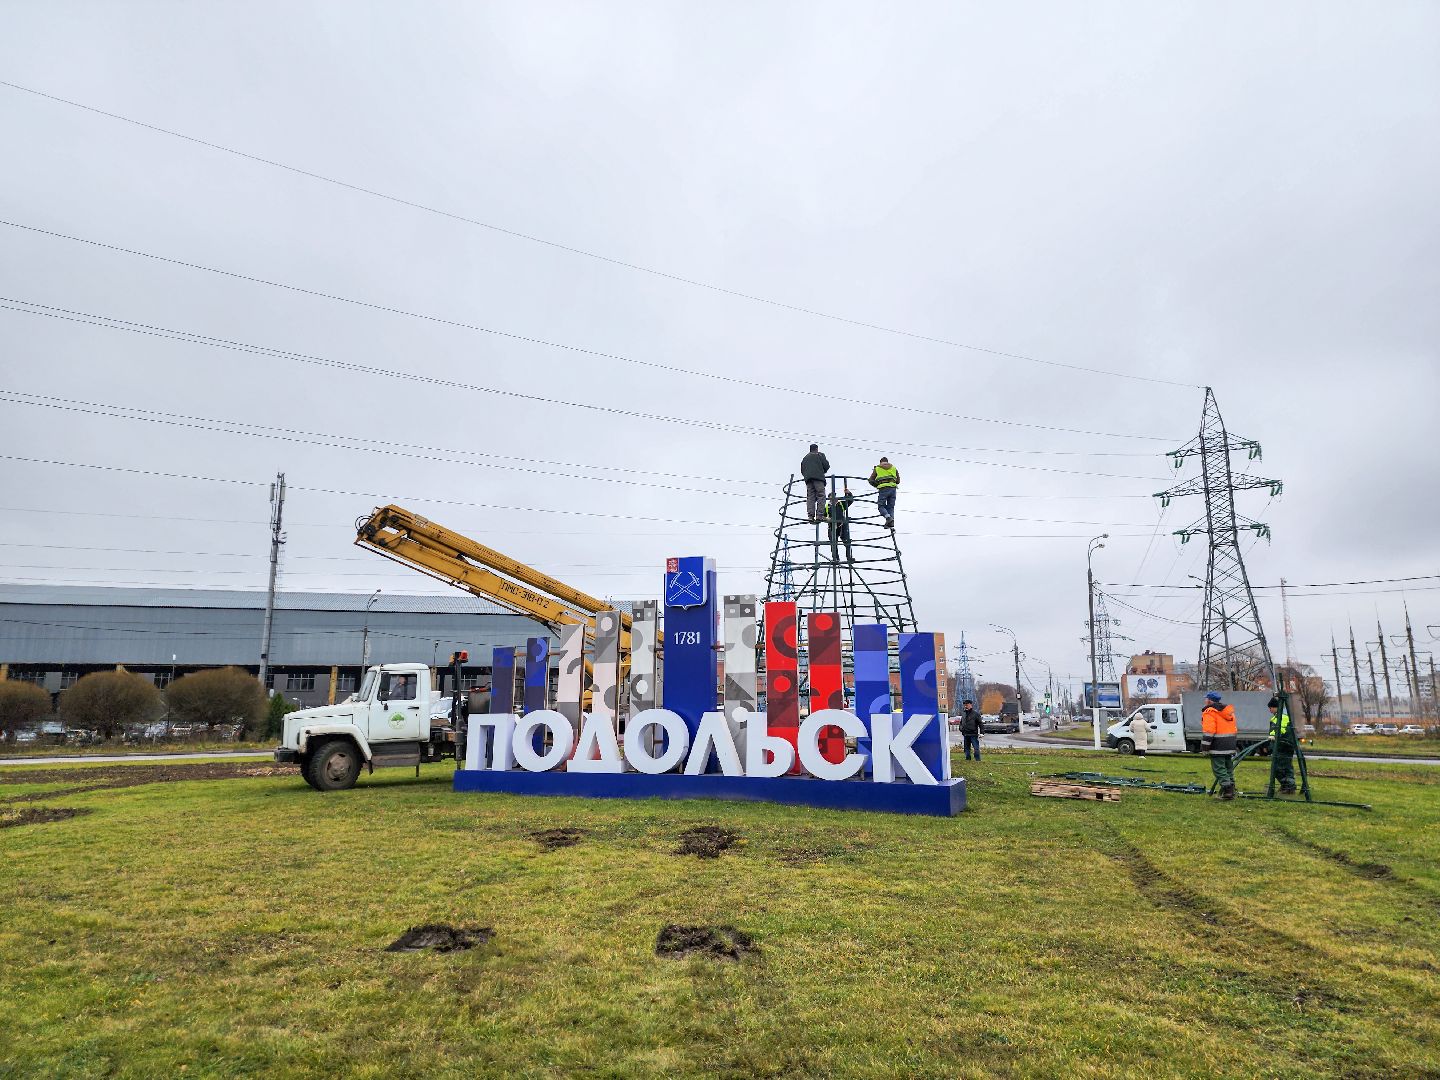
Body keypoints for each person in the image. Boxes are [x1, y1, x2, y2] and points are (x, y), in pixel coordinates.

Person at [1200, 690, 1238, 799]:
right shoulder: (1228, 712)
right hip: (1230, 744)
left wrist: (1205, 748)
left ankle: (1228, 792)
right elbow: (1234, 729)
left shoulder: (1209, 712)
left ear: (1209, 700)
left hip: (1218, 745)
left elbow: (1209, 732)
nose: (1205, 700)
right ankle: (1231, 789)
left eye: (1206, 698)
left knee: (1219, 769)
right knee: (1228, 768)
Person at [1267, 696, 1299, 795]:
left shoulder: (1279, 718)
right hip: (1287, 746)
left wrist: (1273, 736)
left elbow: (1279, 729)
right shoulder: (1284, 716)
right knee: (1287, 767)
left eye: (1270, 707)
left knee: (1277, 768)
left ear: (1275, 707)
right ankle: (1289, 786)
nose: (1269, 709)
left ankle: (1287, 786)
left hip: (1282, 746)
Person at [800, 443, 830, 523]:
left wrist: (808, 475)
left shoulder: (805, 458)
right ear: (817, 449)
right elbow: (826, 466)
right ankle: (820, 515)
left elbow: (802, 470)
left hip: (808, 480)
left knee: (810, 497)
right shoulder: (819, 455)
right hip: (818, 478)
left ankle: (810, 516)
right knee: (821, 495)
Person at [868, 456, 900, 529]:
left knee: (881, 506)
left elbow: (870, 480)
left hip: (883, 489)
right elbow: (898, 481)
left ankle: (888, 518)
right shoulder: (894, 468)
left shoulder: (878, 468)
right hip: (893, 489)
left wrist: (877, 485)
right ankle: (891, 522)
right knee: (890, 507)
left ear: (880, 462)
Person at [827, 486, 855, 562]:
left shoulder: (841, 504)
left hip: (842, 525)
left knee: (847, 542)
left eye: (834, 496)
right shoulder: (827, 507)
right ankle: (836, 558)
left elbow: (850, 500)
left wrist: (849, 493)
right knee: (833, 544)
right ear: (829, 498)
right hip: (832, 527)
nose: (834, 498)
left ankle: (849, 558)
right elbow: (821, 516)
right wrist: (827, 519)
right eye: (831, 497)